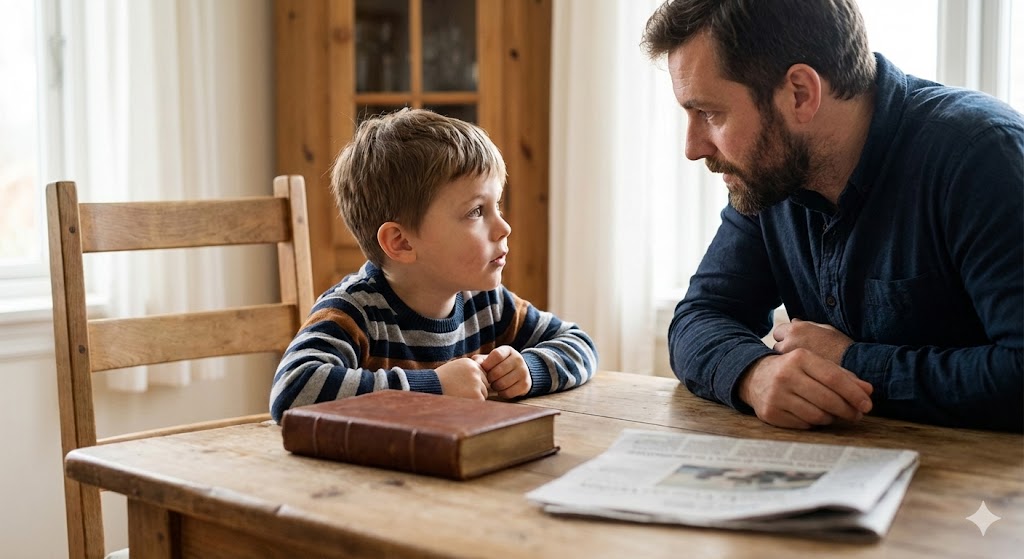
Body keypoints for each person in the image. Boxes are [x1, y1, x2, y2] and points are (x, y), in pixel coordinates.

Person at [641, 0, 1023, 431]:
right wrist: (753, 374)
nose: (693, 148)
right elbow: (700, 316)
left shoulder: (982, 156)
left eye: (710, 113)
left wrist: (851, 362)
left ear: (800, 93)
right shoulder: (771, 177)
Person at [270, 108, 597, 423]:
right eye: (476, 212)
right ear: (402, 242)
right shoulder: (353, 313)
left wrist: (530, 369)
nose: (504, 227)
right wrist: (434, 387)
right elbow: (293, 391)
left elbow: (579, 344)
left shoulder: (487, 304)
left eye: (496, 205)